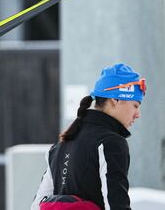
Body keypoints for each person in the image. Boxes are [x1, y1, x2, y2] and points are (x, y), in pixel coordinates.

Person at [31, 63, 146, 210]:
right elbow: (116, 204)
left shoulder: (61, 144)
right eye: (135, 105)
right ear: (116, 100)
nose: (138, 114)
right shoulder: (111, 143)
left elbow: (37, 205)